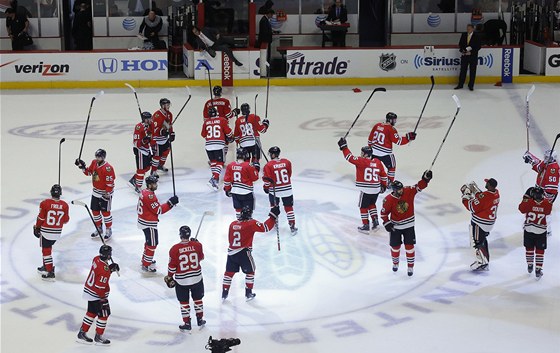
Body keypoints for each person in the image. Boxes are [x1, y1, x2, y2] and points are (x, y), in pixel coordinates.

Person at [221, 205, 280, 301]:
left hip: (231, 253)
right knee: (250, 272)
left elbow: (230, 239)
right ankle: (248, 293)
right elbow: (265, 227)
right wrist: (273, 216)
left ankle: (224, 293)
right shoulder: (251, 223)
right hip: (244, 253)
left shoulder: (232, 224)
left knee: (228, 273)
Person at [380, 171, 432, 276]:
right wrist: (387, 223)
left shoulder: (408, 191)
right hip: (396, 227)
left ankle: (410, 267)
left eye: (401, 188)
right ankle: (395, 264)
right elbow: (383, 213)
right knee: (395, 247)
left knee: (410, 247)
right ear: (394, 190)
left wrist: (425, 179)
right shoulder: (388, 200)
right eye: (399, 189)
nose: (401, 190)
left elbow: (419, 187)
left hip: (409, 226)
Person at [338, 138, 388, 234]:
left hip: (366, 189)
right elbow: (384, 175)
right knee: (371, 204)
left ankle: (365, 225)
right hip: (376, 188)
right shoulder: (378, 162)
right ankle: (375, 220)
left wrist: (344, 147)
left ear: (365, 154)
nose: (361, 154)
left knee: (362, 206)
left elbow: (349, 157)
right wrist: (384, 186)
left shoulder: (361, 161)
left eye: (362, 153)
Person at [165, 226, 206, 331]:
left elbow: (172, 266)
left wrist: (169, 276)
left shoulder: (174, 249)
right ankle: (200, 319)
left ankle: (187, 323)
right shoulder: (197, 245)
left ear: (180, 235)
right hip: (197, 278)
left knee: (184, 302)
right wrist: (196, 243)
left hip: (182, 280)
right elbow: (201, 257)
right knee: (198, 299)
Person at [77, 245, 119, 345]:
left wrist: (110, 269)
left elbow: (101, 270)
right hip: (96, 294)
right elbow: (100, 285)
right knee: (104, 314)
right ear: (108, 256)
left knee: (91, 312)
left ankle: (82, 333)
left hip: (89, 291)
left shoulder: (96, 259)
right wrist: (103, 298)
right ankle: (99, 337)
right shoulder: (104, 271)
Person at [137, 175, 179, 273]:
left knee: (149, 242)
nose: (156, 185)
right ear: (149, 185)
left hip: (144, 220)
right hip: (148, 223)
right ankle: (147, 265)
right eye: (154, 183)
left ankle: (145, 260)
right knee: (152, 244)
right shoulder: (150, 196)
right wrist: (170, 203)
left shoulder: (144, 191)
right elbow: (159, 210)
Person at [460, 178, 500, 271]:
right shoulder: (496, 193)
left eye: (487, 183)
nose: (485, 185)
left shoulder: (485, 197)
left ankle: (481, 262)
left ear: (489, 186)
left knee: (477, 242)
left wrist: (466, 195)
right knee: (483, 240)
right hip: (489, 223)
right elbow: (483, 198)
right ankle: (486, 259)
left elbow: (471, 207)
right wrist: (476, 190)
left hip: (480, 222)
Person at [75, 149, 116, 240]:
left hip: (105, 193)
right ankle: (99, 228)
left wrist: (107, 193)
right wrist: (82, 166)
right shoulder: (94, 162)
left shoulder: (108, 168)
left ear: (103, 157)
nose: (97, 158)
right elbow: (89, 172)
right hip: (96, 192)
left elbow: (110, 183)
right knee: (95, 211)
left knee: (105, 213)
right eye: (96, 156)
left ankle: (108, 229)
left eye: (99, 157)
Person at [34, 184, 70, 281]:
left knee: (46, 251)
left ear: (51, 192)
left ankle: (50, 272)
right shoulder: (65, 205)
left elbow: (41, 217)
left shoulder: (45, 203)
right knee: (48, 249)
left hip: (46, 231)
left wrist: (37, 227)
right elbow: (66, 220)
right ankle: (46, 266)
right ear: (60, 193)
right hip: (57, 232)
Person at [367, 112, 416, 183]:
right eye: (394, 120)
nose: (395, 122)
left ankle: (371, 177)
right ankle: (389, 182)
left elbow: (370, 139)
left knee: (372, 165)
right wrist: (408, 138)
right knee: (392, 167)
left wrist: (371, 149)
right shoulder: (391, 129)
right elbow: (398, 141)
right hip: (385, 153)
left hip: (373, 151)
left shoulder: (377, 125)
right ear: (390, 120)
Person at [518, 187, 552, 280]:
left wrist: (525, 198)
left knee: (529, 248)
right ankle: (538, 269)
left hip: (529, 229)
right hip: (541, 231)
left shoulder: (528, 202)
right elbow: (548, 212)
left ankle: (530, 265)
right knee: (540, 251)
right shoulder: (547, 204)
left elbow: (521, 209)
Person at [262, 146, 298, 235]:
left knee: (274, 207)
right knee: (289, 208)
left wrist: (266, 187)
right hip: (287, 189)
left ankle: (274, 222)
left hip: (275, 191)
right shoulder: (287, 162)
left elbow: (267, 180)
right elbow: (289, 174)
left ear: (273, 154)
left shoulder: (268, 165)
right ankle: (292, 226)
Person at [523, 149, 559, 236]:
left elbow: (552, 188)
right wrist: (530, 159)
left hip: (546, 193)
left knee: (544, 211)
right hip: (539, 191)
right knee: (537, 209)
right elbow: (538, 167)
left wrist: (544, 197)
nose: (545, 158)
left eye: (547, 157)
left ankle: (547, 230)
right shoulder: (546, 163)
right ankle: (535, 224)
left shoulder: (553, 169)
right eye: (545, 157)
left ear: (552, 158)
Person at [202, 106, 233, 191]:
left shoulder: (206, 122)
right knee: (220, 162)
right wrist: (231, 137)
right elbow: (228, 132)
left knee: (213, 162)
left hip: (208, 144)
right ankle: (214, 178)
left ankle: (215, 179)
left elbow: (203, 134)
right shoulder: (222, 120)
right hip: (219, 144)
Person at [223, 148, 259, 219]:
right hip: (247, 192)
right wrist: (256, 169)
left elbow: (227, 180)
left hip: (235, 192)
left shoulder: (230, 165)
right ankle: (247, 225)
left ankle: (239, 223)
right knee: (248, 211)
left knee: (238, 209)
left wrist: (227, 189)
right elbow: (255, 178)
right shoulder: (248, 165)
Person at [233, 103, 269, 170]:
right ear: (249, 109)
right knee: (255, 157)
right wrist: (266, 124)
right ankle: (255, 164)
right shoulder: (254, 117)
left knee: (246, 159)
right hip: (254, 141)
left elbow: (236, 136)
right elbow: (262, 130)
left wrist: (239, 142)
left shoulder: (237, 121)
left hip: (243, 142)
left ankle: (246, 168)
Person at [129, 112, 154, 194]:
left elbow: (152, 134)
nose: (151, 120)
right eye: (149, 118)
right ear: (145, 119)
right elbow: (136, 142)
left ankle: (134, 179)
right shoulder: (139, 127)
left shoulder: (149, 125)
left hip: (146, 149)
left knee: (147, 167)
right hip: (140, 150)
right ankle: (137, 186)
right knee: (141, 169)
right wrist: (143, 141)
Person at [150, 98, 174, 176]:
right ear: (162, 105)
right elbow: (154, 129)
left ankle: (160, 165)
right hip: (157, 140)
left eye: (169, 105)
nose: (168, 106)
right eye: (167, 105)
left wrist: (171, 133)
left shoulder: (169, 114)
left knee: (166, 152)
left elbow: (169, 126)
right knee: (157, 156)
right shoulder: (157, 115)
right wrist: (154, 140)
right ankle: (153, 171)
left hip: (165, 139)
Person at [455, 24, 481, 91]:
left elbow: (478, 46)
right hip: (464, 56)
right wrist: (462, 50)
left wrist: (471, 52)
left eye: (469, 29)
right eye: (467, 29)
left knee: (472, 71)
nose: (468, 30)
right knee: (463, 71)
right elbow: (460, 44)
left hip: (473, 57)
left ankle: (471, 86)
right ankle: (460, 84)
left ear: (473, 29)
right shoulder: (464, 35)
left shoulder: (477, 36)